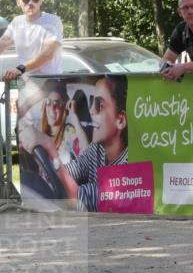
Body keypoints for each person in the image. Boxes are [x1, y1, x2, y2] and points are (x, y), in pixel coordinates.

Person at [18, 76, 129, 212]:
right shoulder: (97, 150)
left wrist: (50, 150)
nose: (91, 110)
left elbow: (78, 199)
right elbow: (71, 170)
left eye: (99, 104)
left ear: (120, 121)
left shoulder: (129, 167)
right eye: (91, 101)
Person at [0, 0, 63, 81]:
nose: (31, 3)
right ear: (18, 2)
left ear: (41, 0)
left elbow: (47, 53)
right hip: (26, 82)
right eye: (26, 0)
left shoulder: (52, 21)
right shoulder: (16, 22)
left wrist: (20, 69)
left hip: (50, 82)